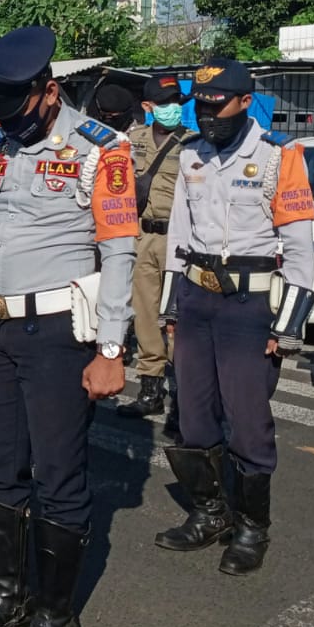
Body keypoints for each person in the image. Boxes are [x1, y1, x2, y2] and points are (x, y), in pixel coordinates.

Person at [0, 26, 137, 627]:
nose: (3, 121)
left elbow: (119, 253)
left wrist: (111, 348)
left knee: (58, 477)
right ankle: (8, 594)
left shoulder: (100, 149)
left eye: (13, 106)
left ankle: (56, 616)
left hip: (60, 335)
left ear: (47, 90)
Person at [157, 59, 314, 577]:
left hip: (249, 307)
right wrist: (171, 310)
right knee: (192, 416)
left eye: (217, 104)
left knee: (248, 423)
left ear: (245, 101)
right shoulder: (191, 157)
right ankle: (210, 512)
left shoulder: (279, 157)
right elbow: (178, 239)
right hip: (197, 301)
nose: (207, 115)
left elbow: (298, 250)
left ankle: (252, 527)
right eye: (200, 105)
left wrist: (287, 329)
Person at [115, 75, 195, 432]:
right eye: (164, 102)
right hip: (141, 237)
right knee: (145, 314)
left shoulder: (195, 144)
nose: (172, 107)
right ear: (147, 107)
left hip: (179, 241)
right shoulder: (131, 142)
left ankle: (184, 399)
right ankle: (150, 390)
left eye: (177, 100)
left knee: (179, 320)